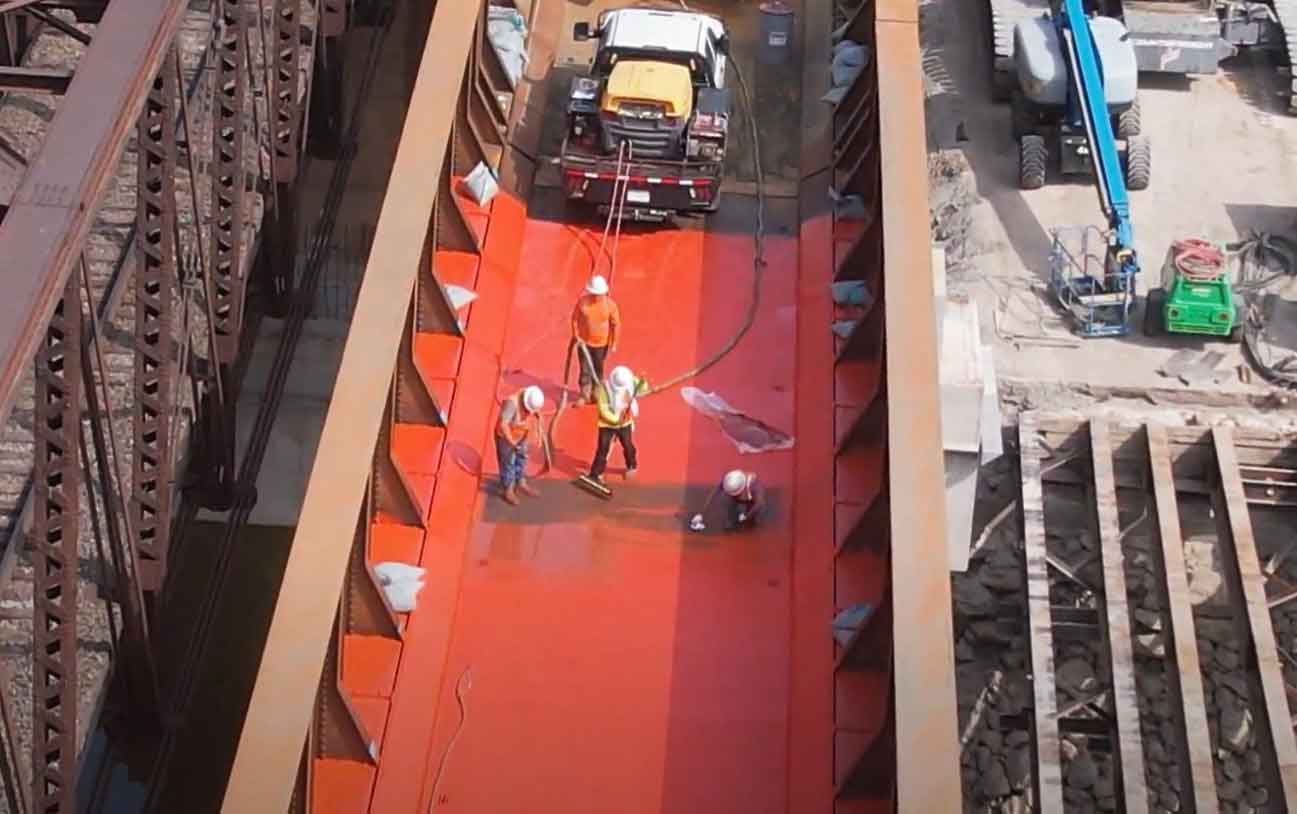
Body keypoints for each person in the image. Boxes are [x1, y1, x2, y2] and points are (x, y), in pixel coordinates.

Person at [588, 365, 649, 484]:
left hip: (625, 423)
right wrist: (615, 420)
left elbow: (642, 388)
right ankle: (596, 473)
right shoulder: (603, 390)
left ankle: (631, 465)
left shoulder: (630, 381)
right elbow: (603, 409)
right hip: (607, 425)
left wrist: (643, 382)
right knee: (602, 449)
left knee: (628, 446)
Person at [571, 274, 621, 402]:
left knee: (598, 368)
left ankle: (596, 392)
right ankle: (584, 394)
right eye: (593, 293)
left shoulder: (610, 306)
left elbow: (616, 324)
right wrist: (576, 335)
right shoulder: (583, 303)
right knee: (584, 368)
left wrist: (614, 342)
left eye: (598, 294)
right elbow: (575, 319)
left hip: (601, 344)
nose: (595, 296)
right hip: (584, 343)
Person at [495, 385, 548, 505]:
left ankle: (520, 480)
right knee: (508, 462)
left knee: (522, 457)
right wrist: (512, 442)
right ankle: (508, 489)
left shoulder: (531, 399)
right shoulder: (511, 404)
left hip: (521, 433)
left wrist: (539, 420)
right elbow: (503, 424)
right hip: (506, 437)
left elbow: (535, 411)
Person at [689, 469, 766, 532]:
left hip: (751, 501)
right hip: (738, 497)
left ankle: (749, 521)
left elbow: (759, 504)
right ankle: (733, 519)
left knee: (751, 517)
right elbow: (714, 494)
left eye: (736, 493)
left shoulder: (755, 487)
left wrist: (747, 516)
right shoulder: (728, 480)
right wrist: (702, 514)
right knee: (730, 504)